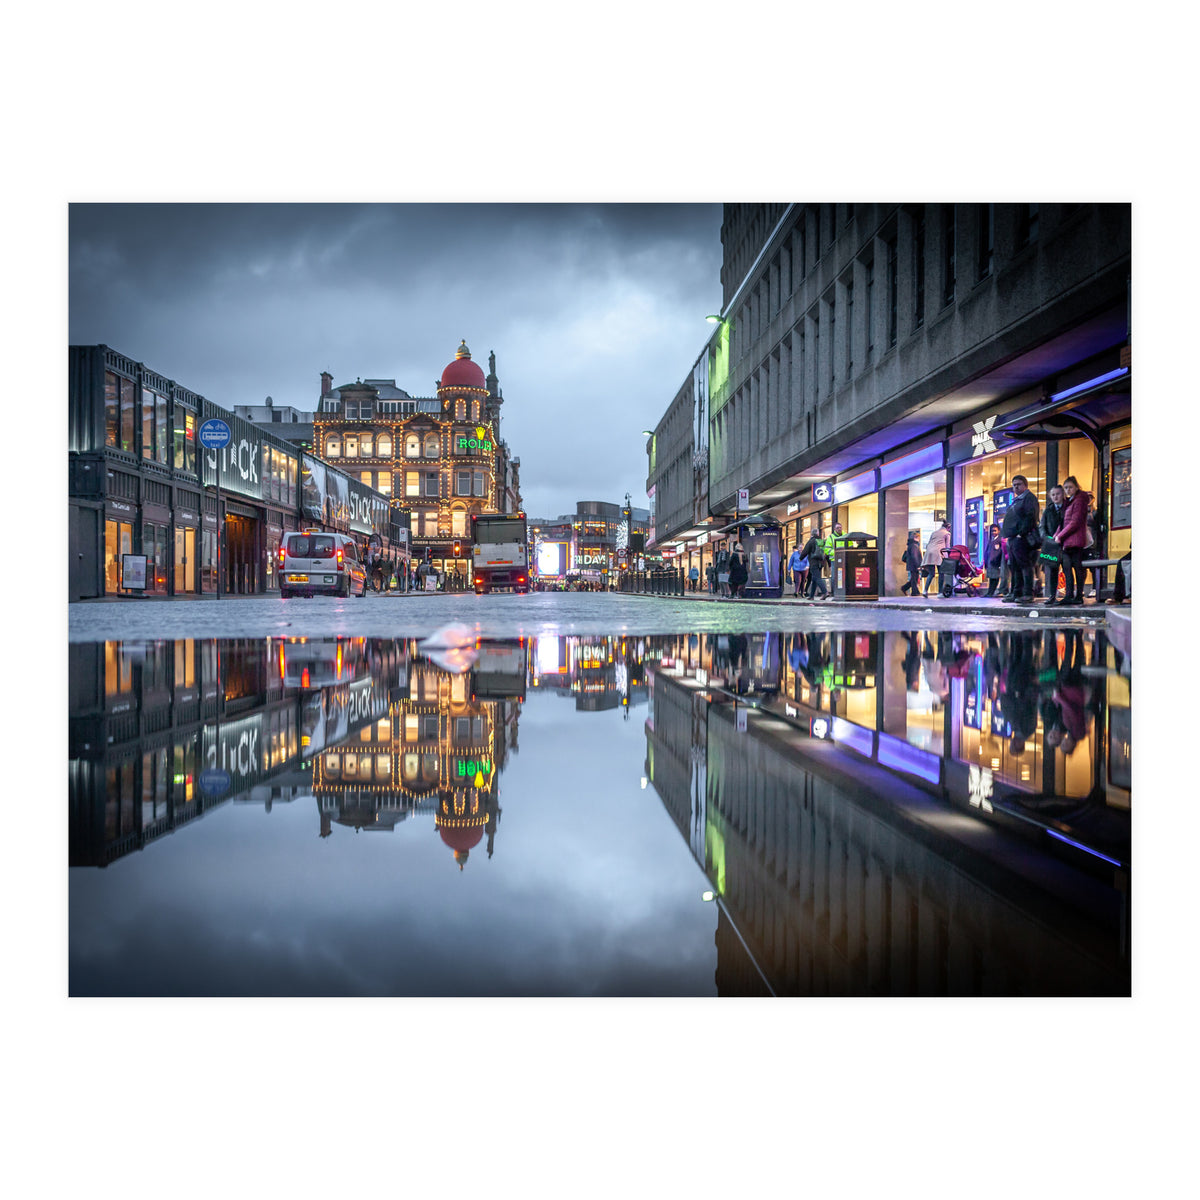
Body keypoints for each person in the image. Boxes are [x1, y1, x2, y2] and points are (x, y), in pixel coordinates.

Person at [1000, 474, 1040, 603]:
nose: (1016, 487)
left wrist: (1020, 534)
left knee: (1025, 566)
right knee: (1015, 567)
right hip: (1013, 538)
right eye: (1014, 485)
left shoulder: (1029, 498)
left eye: (1018, 485)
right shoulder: (1017, 500)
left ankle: (1028, 593)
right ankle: (1016, 592)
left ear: (1025, 485)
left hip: (1021, 538)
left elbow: (1030, 517)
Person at [1057, 474, 1093, 606]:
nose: (1068, 490)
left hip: (1076, 540)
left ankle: (1078, 595)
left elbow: (1074, 522)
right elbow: (1063, 522)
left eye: (1070, 487)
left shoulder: (1080, 500)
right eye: (1065, 488)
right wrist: (1058, 535)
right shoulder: (1070, 501)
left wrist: (1060, 535)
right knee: (1067, 568)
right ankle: (1069, 595)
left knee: (1077, 568)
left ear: (1076, 487)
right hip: (1067, 541)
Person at [1038, 485, 1066, 604]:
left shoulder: (1068, 507)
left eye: (1058, 494)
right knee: (1052, 570)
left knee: (1067, 569)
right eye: (1053, 495)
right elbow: (1042, 526)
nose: (1055, 497)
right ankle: (1052, 595)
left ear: (1063, 494)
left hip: (1065, 543)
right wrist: (1046, 537)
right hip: (1051, 545)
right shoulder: (1048, 510)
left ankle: (1069, 594)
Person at [920, 521, 952, 596]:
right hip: (939, 553)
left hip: (929, 553)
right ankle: (940, 592)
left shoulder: (934, 533)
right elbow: (947, 546)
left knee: (931, 574)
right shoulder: (947, 533)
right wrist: (947, 558)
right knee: (941, 573)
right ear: (948, 528)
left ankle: (925, 591)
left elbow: (928, 543)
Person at [802, 530, 829, 599]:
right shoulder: (821, 541)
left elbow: (805, 551)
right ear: (818, 534)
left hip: (813, 562)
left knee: (817, 578)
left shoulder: (811, 541)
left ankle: (825, 592)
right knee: (814, 579)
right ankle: (811, 596)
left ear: (811, 534)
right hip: (821, 562)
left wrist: (800, 558)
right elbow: (825, 551)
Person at [983, 524, 1004, 596]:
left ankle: (991, 592)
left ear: (999, 531)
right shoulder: (991, 540)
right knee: (991, 578)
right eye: (992, 531)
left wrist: (997, 561)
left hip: (995, 562)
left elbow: (1000, 552)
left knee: (995, 578)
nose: (993, 533)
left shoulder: (1000, 540)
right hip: (990, 562)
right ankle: (989, 592)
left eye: (995, 531)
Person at [901, 530, 921, 595]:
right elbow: (914, 556)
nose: (919, 539)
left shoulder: (911, 544)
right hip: (914, 565)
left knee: (914, 578)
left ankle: (906, 588)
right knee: (914, 578)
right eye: (918, 538)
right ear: (915, 537)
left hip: (911, 564)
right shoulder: (914, 545)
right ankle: (914, 592)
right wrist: (918, 565)